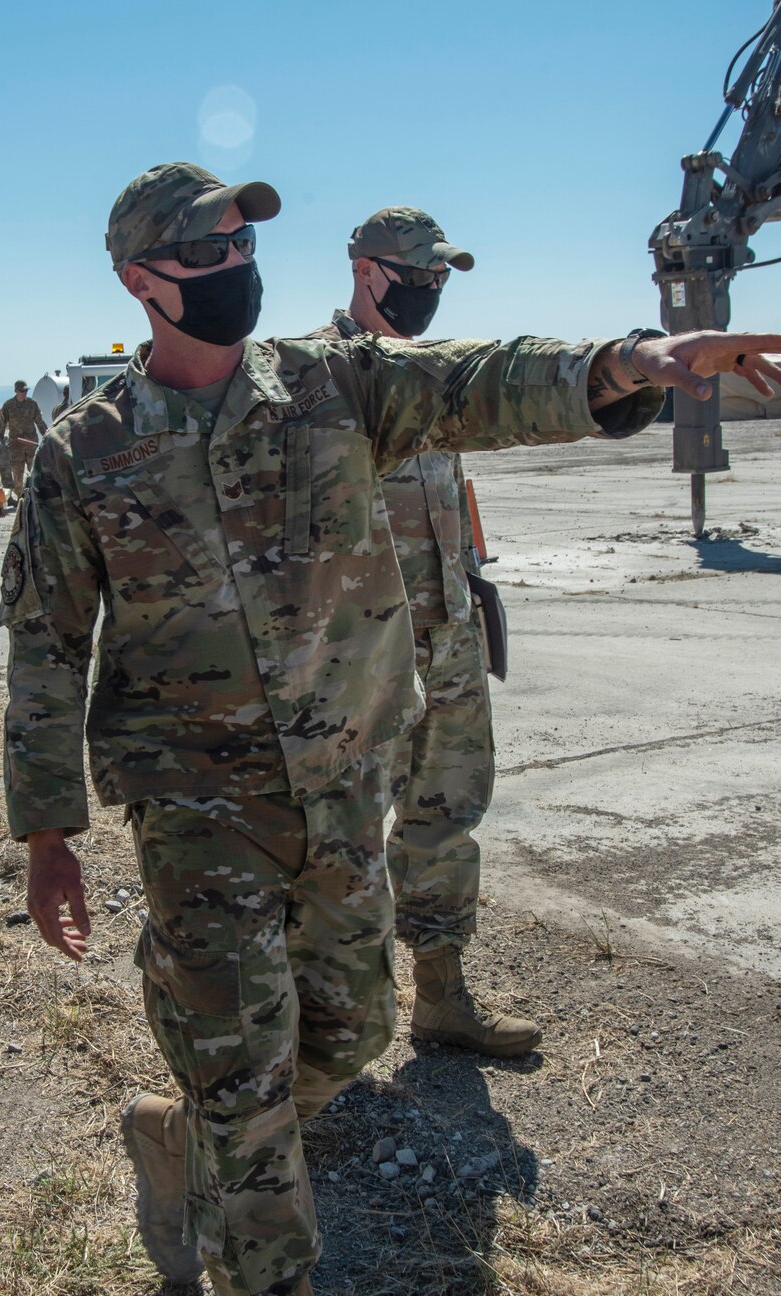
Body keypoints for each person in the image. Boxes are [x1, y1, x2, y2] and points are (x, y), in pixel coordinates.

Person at [0, 162, 781, 1296]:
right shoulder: (86, 450)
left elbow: (479, 379)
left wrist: (626, 362)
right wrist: (46, 830)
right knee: (244, 1081)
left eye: (240, 246)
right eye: (206, 254)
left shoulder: (335, 385)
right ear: (140, 281)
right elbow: (46, 646)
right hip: (196, 817)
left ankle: (182, 1139)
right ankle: (269, 1292)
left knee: (351, 1028)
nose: (235, 268)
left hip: (340, 788)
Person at [306, 207, 534, 1057]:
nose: (431, 291)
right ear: (367, 271)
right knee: (343, 840)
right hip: (363, 657)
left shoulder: (434, 377)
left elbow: (453, 500)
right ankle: (328, 1030)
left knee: (445, 817)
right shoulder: (320, 376)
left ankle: (441, 997)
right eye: (418, 276)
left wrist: (471, 593)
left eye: (441, 279)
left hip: (449, 636)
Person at [0, 378, 49, 486]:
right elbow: (2, 424)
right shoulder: (8, 405)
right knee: (17, 475)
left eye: (26, 390)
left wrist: (47, 436)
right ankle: (20, 497)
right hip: (16, 446)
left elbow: (39, 422)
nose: (24, 393)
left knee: (35, 472)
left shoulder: (32, 404)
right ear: (16, 391)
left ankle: (35, 496)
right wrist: (0, 440)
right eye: (22, 391)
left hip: (31, 444)